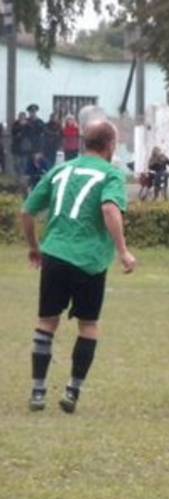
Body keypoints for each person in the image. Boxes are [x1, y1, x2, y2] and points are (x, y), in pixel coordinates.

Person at [20, 120, 137, 413]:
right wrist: (123, 250)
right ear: (110, 145)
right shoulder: (111, 173)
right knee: (88, 324)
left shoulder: (61, 169)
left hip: (54, 254)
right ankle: (72, 391)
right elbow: (109, 208)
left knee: (47, 321)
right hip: (89, 261)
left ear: (85, 142)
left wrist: (34, 247)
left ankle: (38, 391)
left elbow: (28, 210)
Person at [12, 112, 28, 193]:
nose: (22, 118)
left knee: (23, 166)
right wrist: (20, 127)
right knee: (16, 165)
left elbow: (29, 134)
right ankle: (18, 180)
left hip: (24, 149)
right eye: (20, 117)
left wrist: (24, 126)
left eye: (23, 117)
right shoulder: (15, 124)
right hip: (16, 149)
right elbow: (13, 132)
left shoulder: (28, 125)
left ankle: (22, 183)